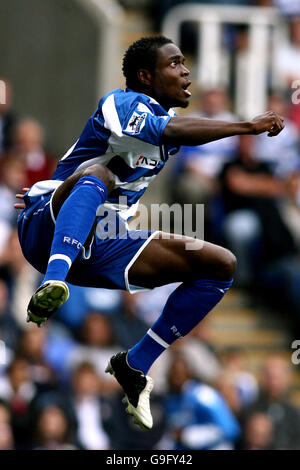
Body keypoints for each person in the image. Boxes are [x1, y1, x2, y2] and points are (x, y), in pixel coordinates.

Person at [14, 36, 284, 431]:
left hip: (101, 238)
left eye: (184, 63)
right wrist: (246, 125)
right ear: (145, 75)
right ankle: (50, 285)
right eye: (174, 64)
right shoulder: (122, 104)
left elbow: (166, 135)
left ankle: (135, 363)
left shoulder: (157, 126)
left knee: (220, 265)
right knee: (98, 175)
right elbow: (170, 133)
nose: (185, 71)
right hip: (47, 228)